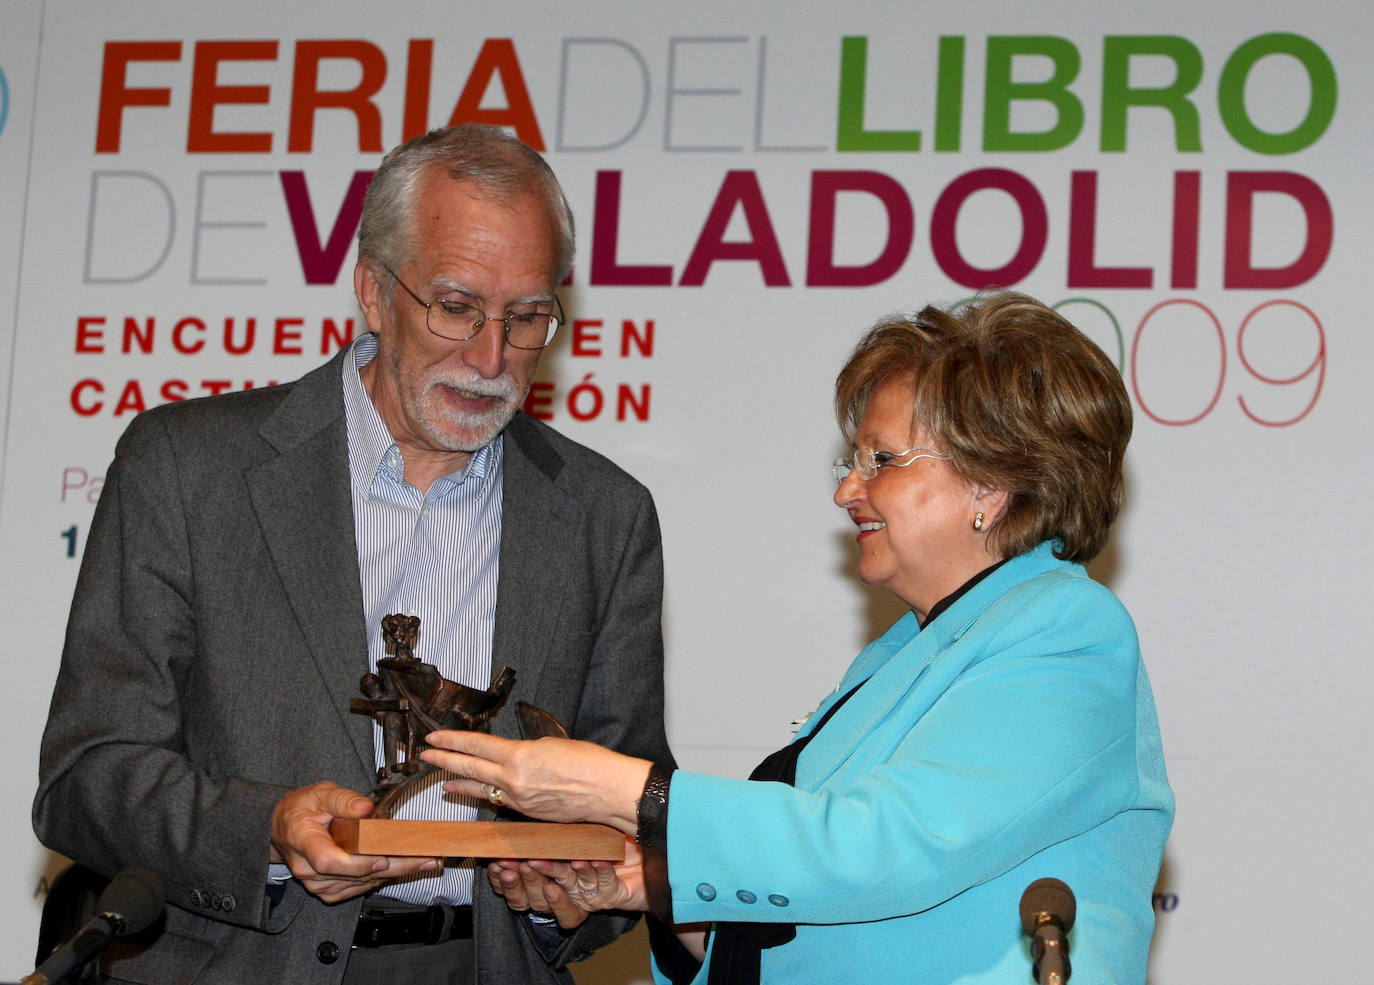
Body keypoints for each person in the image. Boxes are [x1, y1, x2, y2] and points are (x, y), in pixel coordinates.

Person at [32, 124, 672, 985]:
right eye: (456, 307)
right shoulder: (187, 469)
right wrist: (266, 828)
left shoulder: (605, 517)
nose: (491, 357)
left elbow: (633, 807)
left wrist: (576, 894)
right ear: (373, 290)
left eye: (526, 317)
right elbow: (87, 774)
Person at [421, 291, 1175, 984]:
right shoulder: (899, 655)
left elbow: (884, 846)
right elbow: (821, 913)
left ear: (990, 482)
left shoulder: (1064, 632)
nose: (848, 488)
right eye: (852, 461)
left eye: (881, 460)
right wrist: (660, 888)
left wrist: (626, 792)